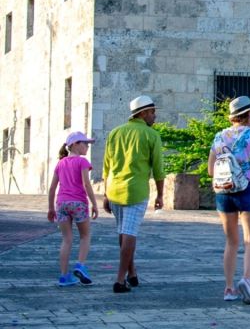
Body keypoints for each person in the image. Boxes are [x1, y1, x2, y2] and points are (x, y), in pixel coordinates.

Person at [102, 95, 166, 294]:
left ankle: (132, 273)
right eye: (152, 112)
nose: (155, 116)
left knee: (123, 232)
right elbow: (158, 169)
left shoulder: (115, 133)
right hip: (136, 192)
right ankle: (120, 280)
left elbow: (107, 166)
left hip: (114, 190)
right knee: (130, 234)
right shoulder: (151, 135)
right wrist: (160, 195)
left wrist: (105, 194)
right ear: (143, 113)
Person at [207, 96, 250, 304]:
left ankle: (229, 288)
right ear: (247, 114)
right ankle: (247, 280)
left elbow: (209, 170)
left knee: (231, 241)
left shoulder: (219, 137)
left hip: (224, 192)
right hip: (248, 189)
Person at [47, 131, 99, 286]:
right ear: (75, 144)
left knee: (67, 239)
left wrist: (51, 208)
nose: (87, 147)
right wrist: (94, 204)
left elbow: (52, 188)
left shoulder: (60, 163)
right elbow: (86, 184)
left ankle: (64, 276)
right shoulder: (82, 162)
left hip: (61, 204)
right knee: (85, 236)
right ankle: (80, 265)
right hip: (78, 203)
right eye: (85, 143)